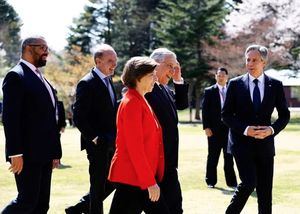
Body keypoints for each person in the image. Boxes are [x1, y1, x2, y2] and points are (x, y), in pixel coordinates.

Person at [222, 44, 290, 214]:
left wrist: (272, 130)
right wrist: (245, 129)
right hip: (241, 144)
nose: (250, 63)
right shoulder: (235, 84)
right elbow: (226, 115)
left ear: (264, 62)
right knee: (248, 183)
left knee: (265, 191)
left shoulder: (275, 85)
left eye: (254, 60)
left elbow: (284, 115)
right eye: (248, 60)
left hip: (265, 145)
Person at [1, 36, 62, 213]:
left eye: (47, 48)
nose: (47, 52)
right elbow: (11, 118)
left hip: (45, 153)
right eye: (42, 47)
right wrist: (15, 153)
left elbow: (50, 119)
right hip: (27, 154)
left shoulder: (41, 78)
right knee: (26, 202)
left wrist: (54, 152)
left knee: (42, 205)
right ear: (28, 48)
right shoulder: (16, 76)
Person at [108, 56, 169, 214]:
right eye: (151, 75)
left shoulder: (140, 99)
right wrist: (150, 182)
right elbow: (135, 147)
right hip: (132, 178)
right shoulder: (132, 103)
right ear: (137, 77)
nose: (155, 78)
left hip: (140, 177)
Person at [65, 44, 118, 214]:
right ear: (98, 61)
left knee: (113, 181)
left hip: (112, 142)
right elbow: (79, 116)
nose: (114, 65)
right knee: (98, 185)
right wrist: (95, 138)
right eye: (110, 61)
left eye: (115, 61)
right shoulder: (86, 83)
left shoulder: (108, 81)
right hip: (97, 144)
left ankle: (77, 209)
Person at [145, 48, 189, 214]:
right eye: (170, 66)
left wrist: (178, 80)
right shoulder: (146, 90)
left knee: (175, 206)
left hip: (169, 162)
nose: (173, 70)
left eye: (175, 66)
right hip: (154, 163)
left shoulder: (166, 89)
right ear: (155, 65)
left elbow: (182, 105)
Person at [202, 67, 237, 188]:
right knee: (213, 157)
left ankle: (232, 182)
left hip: (229, 131)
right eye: (219, 75)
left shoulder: (232, 90)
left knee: (229, 157)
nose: (221, 77)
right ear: (215, 76)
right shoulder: (209, 91)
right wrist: (206, 127)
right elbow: (205, 110)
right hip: (213, 131)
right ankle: (210, 181)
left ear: (227, 77)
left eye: (223, 75)